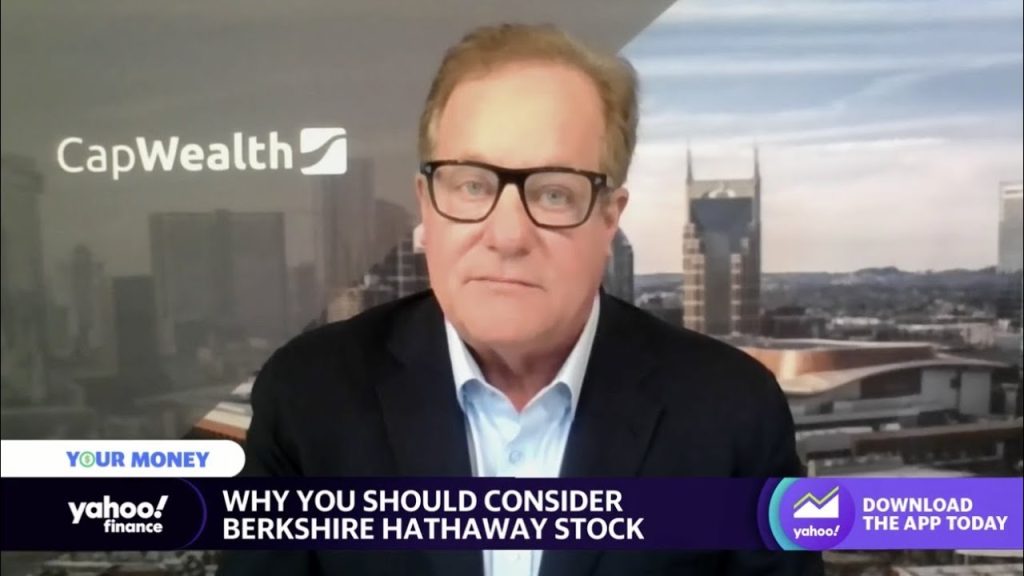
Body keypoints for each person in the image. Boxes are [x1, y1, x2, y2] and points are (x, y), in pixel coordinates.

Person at [217, 23, 823, 576]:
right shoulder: (308, 398)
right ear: (427, 206)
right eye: (471, 185)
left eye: (555, 194)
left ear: (608, 219)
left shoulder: (732, 412)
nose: (507, 236)